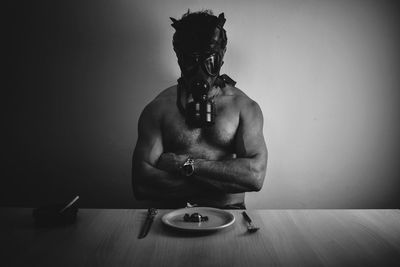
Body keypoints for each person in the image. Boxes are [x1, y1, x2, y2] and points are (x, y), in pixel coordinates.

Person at [132, 10, 267, 209]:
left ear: (221, 58)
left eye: (209, 62)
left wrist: (185, 164)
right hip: (170, 216)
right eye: (191, 61)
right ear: (179, 59)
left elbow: (254, 177)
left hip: (229, 214)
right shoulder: (159, 109)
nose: (200, 72)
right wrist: (223, 183)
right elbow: (141, 185)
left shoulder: (243, 107)